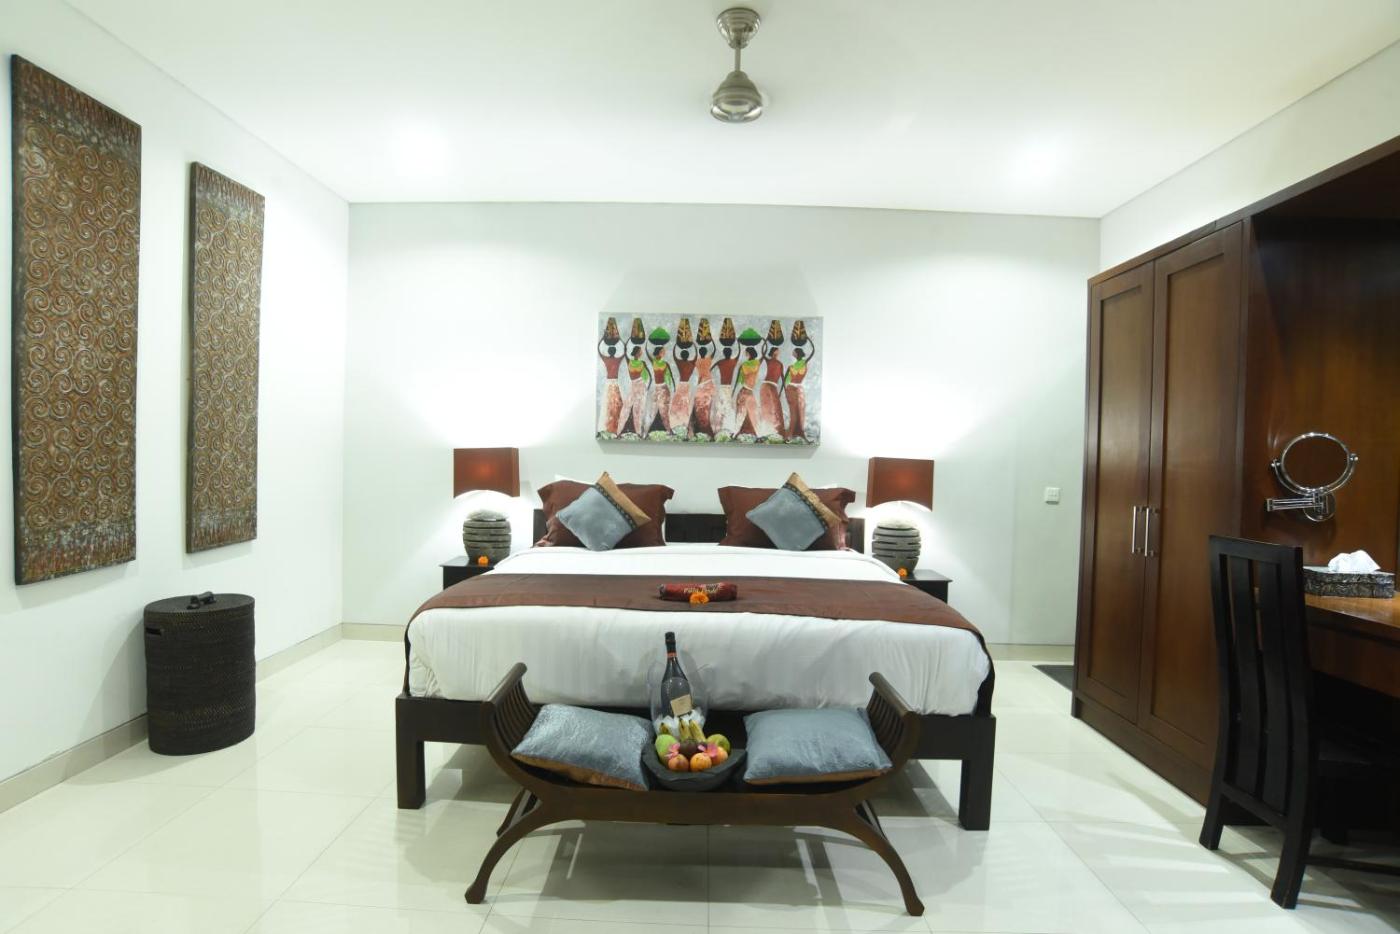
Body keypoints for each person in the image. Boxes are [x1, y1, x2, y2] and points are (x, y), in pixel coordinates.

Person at [784, 320, 814, 441]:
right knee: (794, 412)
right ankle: (790, 434)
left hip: (797, 389)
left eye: (794, 352)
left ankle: (799, 433)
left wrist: (809, 339)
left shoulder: (802, 363)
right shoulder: (792, 366)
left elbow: (812, 352)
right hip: (792, 389)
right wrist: (785, 391)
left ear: (797, 354)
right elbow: (785, 380)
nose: (793, 353)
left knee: (800, 411)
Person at [668, 318, 698, 439]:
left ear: (681, 355)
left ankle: (676, 424)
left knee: (676, 406)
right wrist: (693, 344)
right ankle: (683, 425)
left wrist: (676, 344)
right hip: (687, 386)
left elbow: (674, 354)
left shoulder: (680, 362)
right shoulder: (691, 363)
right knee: (685, 406)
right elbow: (695, 356)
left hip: (681, 385)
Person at [732, 326, 764, 438]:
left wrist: (733, 393)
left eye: (746, 352)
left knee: (742, 413)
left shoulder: (744, 365)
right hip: (748, 392)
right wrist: (764, 341)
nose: (745, 354)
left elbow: (738, 380)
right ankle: (738, 433)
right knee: (750, 413)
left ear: (749, 354)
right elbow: (764, 353)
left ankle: (737, 433)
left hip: (744, 391)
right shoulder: (757, 363)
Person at [642, 326, 674, 435]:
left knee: (664, 411)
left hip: (664, 389)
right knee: (652, 410)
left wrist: (673, 389)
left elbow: (671, 378)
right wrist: (647, 340)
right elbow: (647, 352)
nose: (664, 352)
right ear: (659, 352)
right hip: (657, 389)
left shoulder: (665, 364)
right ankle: (646, 431)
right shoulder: (654, 362)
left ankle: (669, 430)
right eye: (663, 351)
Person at [711, 317, 740, 437]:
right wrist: (737, 340)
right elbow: (739, 352)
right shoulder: (733, 361)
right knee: (728, 408)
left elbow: (710, 370)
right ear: (730, 353)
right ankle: (728, 429)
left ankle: (719, 429)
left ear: (723, 353)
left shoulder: (720, 362)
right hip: (728, 388)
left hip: (722, 387)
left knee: (721, 408)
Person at [757, 320, 785, 439]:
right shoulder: (769, 360)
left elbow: (783, 378)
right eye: (777, 350)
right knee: (767, 408)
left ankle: (777, 431)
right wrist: (765, 341)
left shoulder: (780, 363)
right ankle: (766, 431)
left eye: (779, 351)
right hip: (766, 385)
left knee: (776, 408)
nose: (778, 352)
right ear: (774, 352)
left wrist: (781, 391)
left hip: (774, 386)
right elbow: (763, 353)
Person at [596, 317, 625, 435]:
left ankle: (607, 427)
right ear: (615, 351)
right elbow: (623, 351)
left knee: (607, 404)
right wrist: (619, 339)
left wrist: (603, 338)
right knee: (617, 404)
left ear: (608, 351)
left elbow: (599, 350)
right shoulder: (617, 360)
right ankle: (616, 427)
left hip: (609, 384)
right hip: (615, 383)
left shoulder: (606, 359)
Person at [692, 318, 718, 438]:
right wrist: (712, 341)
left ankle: (702, 428)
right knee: (708, 406)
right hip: (709, 383)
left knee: (701, 407)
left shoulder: (697, 361)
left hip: (702, 383)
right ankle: (708, 428)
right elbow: (714, 350)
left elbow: (694, 356)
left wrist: (694, 344)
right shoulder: (708, 359)